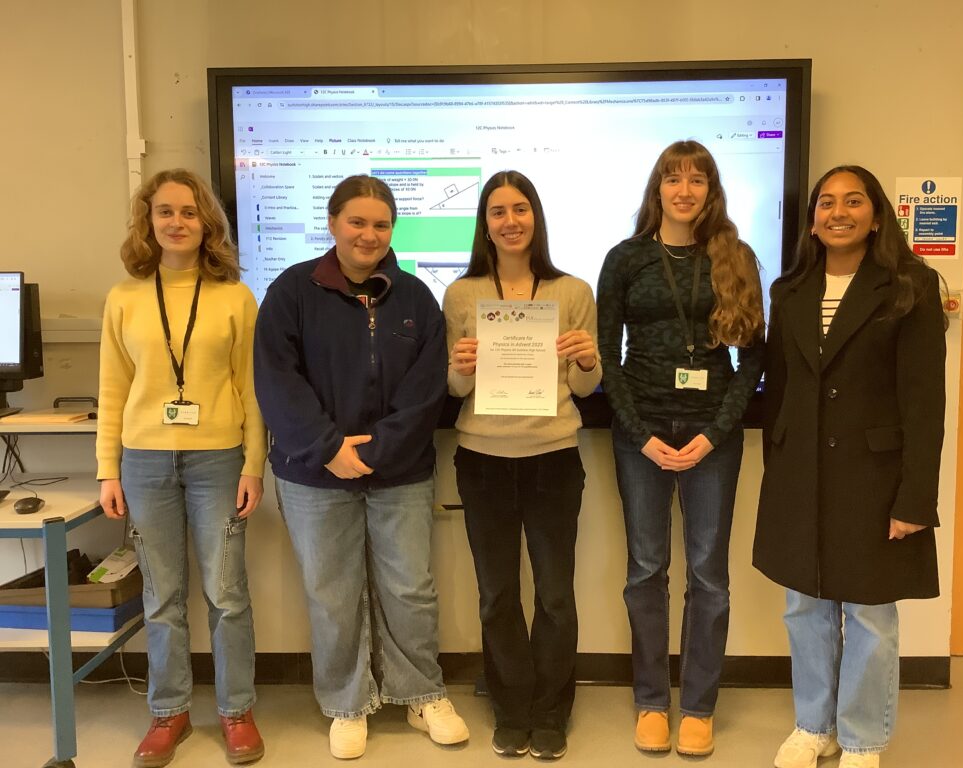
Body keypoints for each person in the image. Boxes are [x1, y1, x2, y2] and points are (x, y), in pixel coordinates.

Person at [253, 174, 469, 760]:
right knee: (331, 592)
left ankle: (421, 693)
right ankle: (347, 703)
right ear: (332, 223)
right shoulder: (292, 291)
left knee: (410, 587)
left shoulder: (417, 299)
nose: (368, 234)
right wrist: (329, 447)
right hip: (312, 473)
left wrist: (371, 451)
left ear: (392, 230)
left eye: (380, 224)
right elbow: (277, 381)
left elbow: (428, 393)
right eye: (357, 222)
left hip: (399, 471)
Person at [754, 166, 946, 768]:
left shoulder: (910, 285)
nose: (838, 212)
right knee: (804, 605)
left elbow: (925, 402)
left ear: (876, 212)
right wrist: (778, 473)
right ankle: (815, 725)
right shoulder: (790, 290)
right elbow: (780, 389)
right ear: (812, 217)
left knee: (868, 614)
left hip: (876, 477)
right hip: (801, 472)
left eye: (853, 201)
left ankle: (862, 737)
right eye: (826, 202)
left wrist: (915, 499)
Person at [596, 140, 766, 756]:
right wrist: (640, 435)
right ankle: (650, 702)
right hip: (639, 435)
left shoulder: (736, 256)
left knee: (708, 576)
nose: (684, 190)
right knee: (645, 571)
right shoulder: (626, 259)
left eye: (697, 179)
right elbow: (607, 357)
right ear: (657, 189)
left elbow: (752, 362)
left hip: (711, 437)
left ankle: (697, 705)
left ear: (711, 190)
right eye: (673, 178)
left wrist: (713, 434)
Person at [97, 168, 267, 767]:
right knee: (161, 595)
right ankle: (168, 713)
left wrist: (254, 465)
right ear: (148, 220)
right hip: (143, 462)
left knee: (226, 592)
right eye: (165, 212)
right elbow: (113, 388)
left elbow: (250, 386)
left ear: (207, 224)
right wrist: (107, 469)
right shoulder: (124, 297)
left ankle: (235, 710)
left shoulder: (235, 296)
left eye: (189, 213)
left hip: (218, 459)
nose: (177, 222)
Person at [444, 171, 602, 760]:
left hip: (553, 459)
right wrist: (462, 365)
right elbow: (455, 385)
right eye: (497, 211)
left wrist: (587, 359)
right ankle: (512, 708)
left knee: (556, 594)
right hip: (482, 460)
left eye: (520, 208)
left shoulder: (573, 291)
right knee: (496, 594)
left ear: (536, 216)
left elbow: (588, 387)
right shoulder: (462, 295)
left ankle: (551, 709)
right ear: (484, 223)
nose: (510, 221)